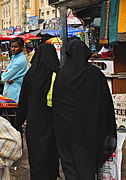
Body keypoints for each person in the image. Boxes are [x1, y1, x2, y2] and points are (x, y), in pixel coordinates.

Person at [53, 40, 116, 179]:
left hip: (65, 131)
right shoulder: (95, 74)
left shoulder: (62, 75)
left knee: (70, 167)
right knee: (86, 167)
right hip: (89, 132)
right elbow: (105, 102)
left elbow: (56, 104)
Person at [16, 43, 60, 180]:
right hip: (53, 125)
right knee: (51, 157)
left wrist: (18, 123)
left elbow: (23, 102)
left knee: (36, 158)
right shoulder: (58, 74)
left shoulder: (31, 75)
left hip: (35, 125)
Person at [1, 37, 28, 102]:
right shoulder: (15, 59)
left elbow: (4, 77)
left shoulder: (20, 61)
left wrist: (6, 75)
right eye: (11, 47)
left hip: (15, 94)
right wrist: (7, 74)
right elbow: (5, 75)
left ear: (22, 47)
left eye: (15, 47)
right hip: (10, 92)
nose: (13, 49)